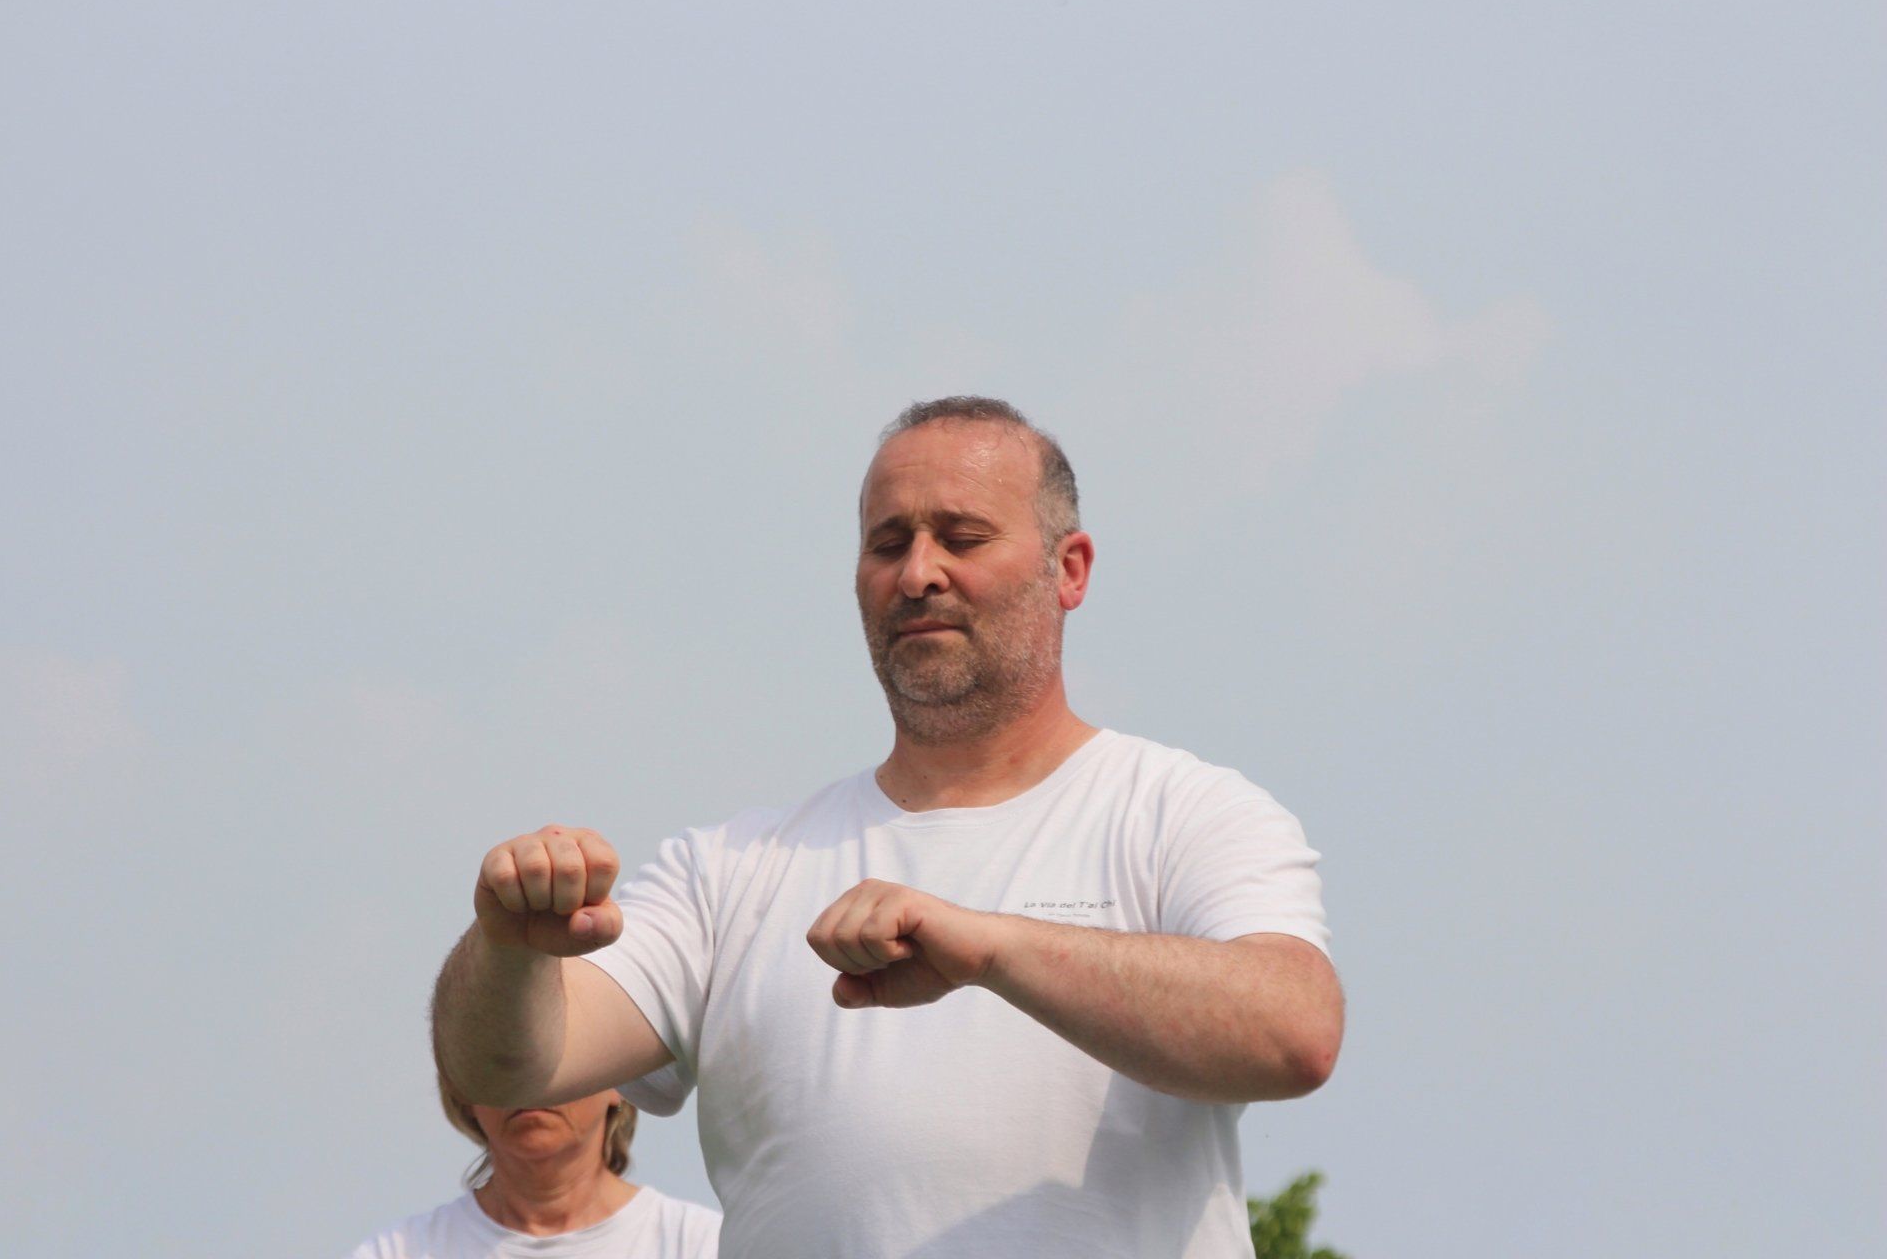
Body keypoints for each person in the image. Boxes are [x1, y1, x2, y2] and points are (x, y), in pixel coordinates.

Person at [432, 397, 1345, 1257]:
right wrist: (505, 947)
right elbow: (506, 1067)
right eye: (886, 543)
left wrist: (990, 949)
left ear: (1069, 570)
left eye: (962, 537)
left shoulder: (1179, 812)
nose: (918, 573)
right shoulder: (734, 871)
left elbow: (1293, 1031)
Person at [347, 1071, 720, 1258]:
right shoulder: (399, 1251)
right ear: (464, 1092)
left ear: (619, 1084)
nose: (529, 1077)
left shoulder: (702, 1245)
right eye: (502, 1057)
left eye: (558, 1051)